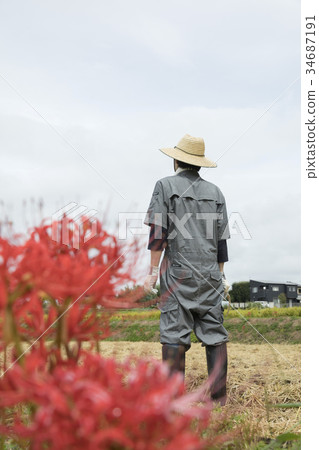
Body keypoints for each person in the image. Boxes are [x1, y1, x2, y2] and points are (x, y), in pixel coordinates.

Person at [143, 134, 230, 405]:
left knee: (173, 333)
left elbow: (159, 232)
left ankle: (172, 402)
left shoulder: (165, 186)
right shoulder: (216, 193)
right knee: (215, 333)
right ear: (199, 164)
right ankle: (218, 399)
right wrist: (221, 275)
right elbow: (221, 241)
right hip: (210, 274)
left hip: (177, 272)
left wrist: (151, 272)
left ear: (176, 160)